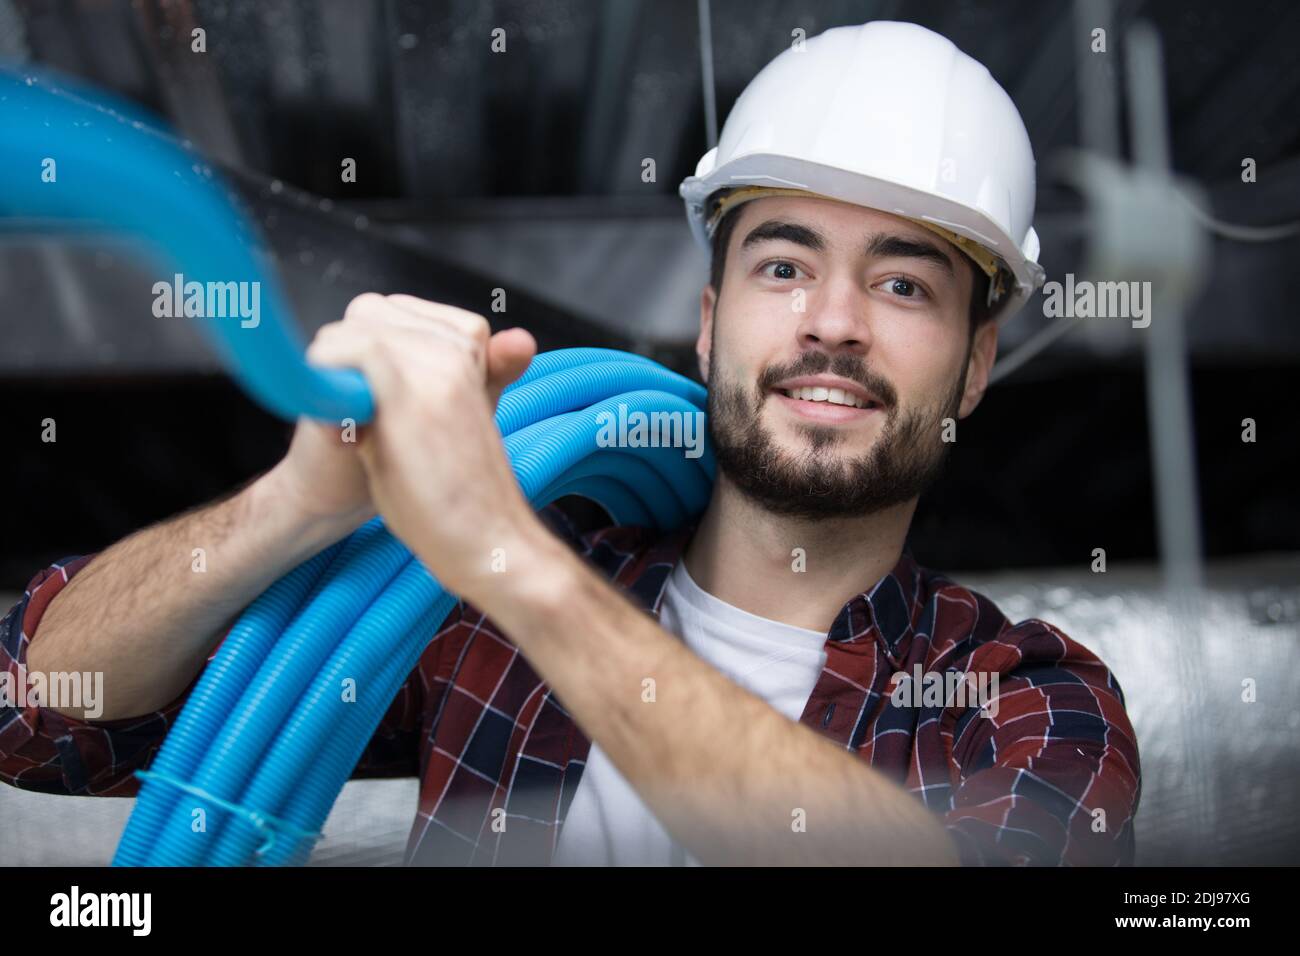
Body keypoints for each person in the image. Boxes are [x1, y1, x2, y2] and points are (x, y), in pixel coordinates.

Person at [1, 21, 1139, 866]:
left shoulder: (1028, 698)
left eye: (901, 282)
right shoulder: (463, 626)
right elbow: (34, 718)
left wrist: (503, 549)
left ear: (977, 362)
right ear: (708, 323)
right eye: (782, 264)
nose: (831, 321)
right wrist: (294, 505)